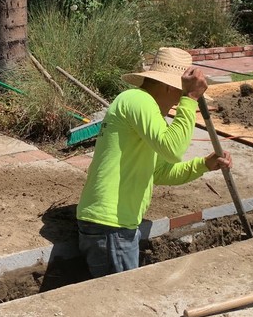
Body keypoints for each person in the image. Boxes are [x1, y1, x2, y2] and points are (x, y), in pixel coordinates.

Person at [76, 47, 231, 277]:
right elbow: (173, 149)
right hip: (111, 227)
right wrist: (190, 99)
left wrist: (203, 165)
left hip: (115, 227)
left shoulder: (147, 112)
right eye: (179, 94)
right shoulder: (138, 100)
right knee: (123, 299)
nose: (179, 102)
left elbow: (159, 171)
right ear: (169, 86)